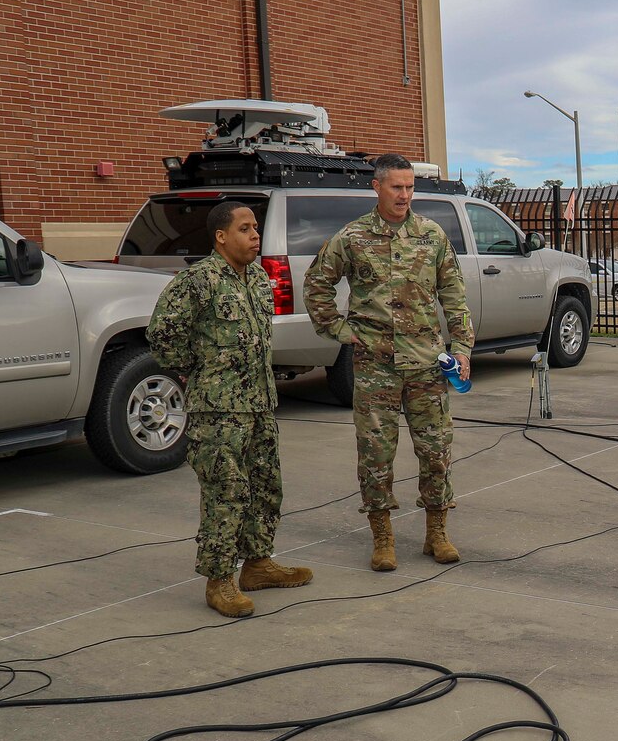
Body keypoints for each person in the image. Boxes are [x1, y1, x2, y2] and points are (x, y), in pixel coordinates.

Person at [303, 153, 473, 572]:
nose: (404, 194)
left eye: (410, 187)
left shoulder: (431, 236)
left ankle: (437, 533)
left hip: (427, 366)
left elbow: (453, 295)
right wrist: (341, 331)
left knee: (436, 452)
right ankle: (382, 537)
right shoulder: (353, 237)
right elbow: (316, 284)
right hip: (375, 366)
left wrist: (464, 348)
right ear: (376, 187)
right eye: (396, 187)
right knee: (376, 455)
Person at [147, 201, 313, 617]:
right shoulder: (197, 281)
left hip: (260, 404)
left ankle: (258, 565)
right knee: (226, 494)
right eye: (245, 228)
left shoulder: (257, 276)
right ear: (221, 236)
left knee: (265, 488)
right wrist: (199, 370)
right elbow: (162, 335)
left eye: (256, 227)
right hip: (217, 411)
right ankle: (218, 579)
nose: (255, 234)